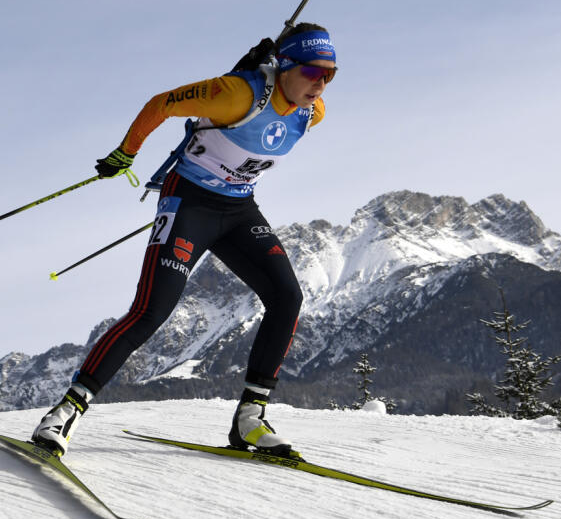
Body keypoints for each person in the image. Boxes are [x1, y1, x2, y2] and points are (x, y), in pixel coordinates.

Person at [31, 23, 336, 459]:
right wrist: (126, 152)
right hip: (189, 203)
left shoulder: (313, 111)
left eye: (331, 75)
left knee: (287, 296)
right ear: (284, 64)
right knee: (151, 311)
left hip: (238, 209)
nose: (321, 84)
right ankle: (65, 412)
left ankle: (250, 418)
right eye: (312, 72)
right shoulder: (237, 93)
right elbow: (161, 104)